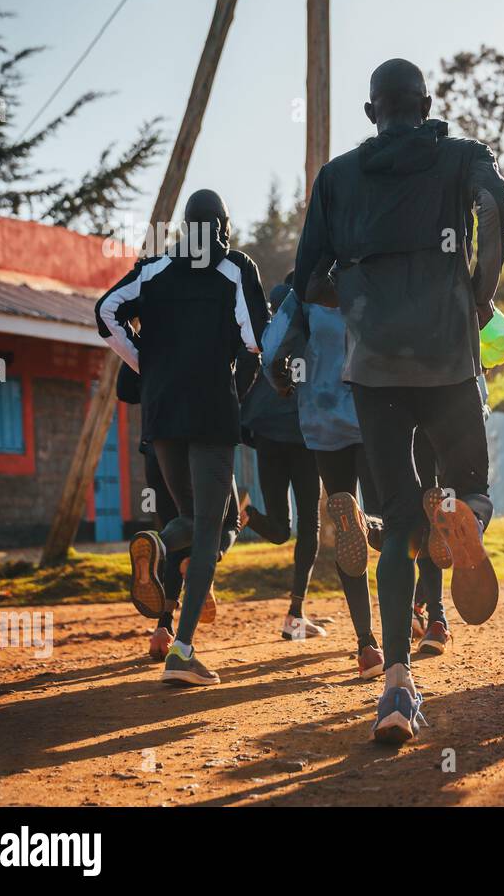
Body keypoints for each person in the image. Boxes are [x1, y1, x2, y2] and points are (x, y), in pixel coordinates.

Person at [292, 58, 504, 743]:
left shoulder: (337, 177)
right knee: (471, 482)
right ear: (426, 103)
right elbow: (497, 209)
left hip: (376, 369)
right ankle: (457, 512)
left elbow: (306, 277)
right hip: (447, 356)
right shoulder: (462, 157)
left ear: (371, 113)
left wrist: (356, 301)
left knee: (392, 521)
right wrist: (477, 295)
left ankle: (395, 688)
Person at [96, 189, 269, 686]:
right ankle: (183, 651)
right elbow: (258, 337)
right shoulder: (235, 267)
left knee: (194, 518)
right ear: (221, 225)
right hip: (212, 413)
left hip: (161, 415)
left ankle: (159, 542)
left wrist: (145, 363)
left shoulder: (154, 270)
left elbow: (106, 312)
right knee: (211, 528)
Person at [263, 276, 450, 679]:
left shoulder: (300, 291)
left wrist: (281, 381)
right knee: (399, 523)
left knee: (343, 514)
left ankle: (367, 646)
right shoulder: (367, 278)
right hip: (374, 417)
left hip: (322, 424)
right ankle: (406, 615)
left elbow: (270, 349)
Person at [116, 361, 234, 661]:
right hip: (203, 440)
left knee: (177, 526)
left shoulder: (148, 338)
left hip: (157, 447)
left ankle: (162, 627)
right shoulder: (211, 323)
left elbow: (125, 391)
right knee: (226, 520)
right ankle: (198, 568)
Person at [240, 278, 326, 642]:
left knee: (278, 529)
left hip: (267, 434)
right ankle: (295, 614)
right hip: (303, 438)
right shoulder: (316, 326)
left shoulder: (270, 328)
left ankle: (243, 512)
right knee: (308, 527)